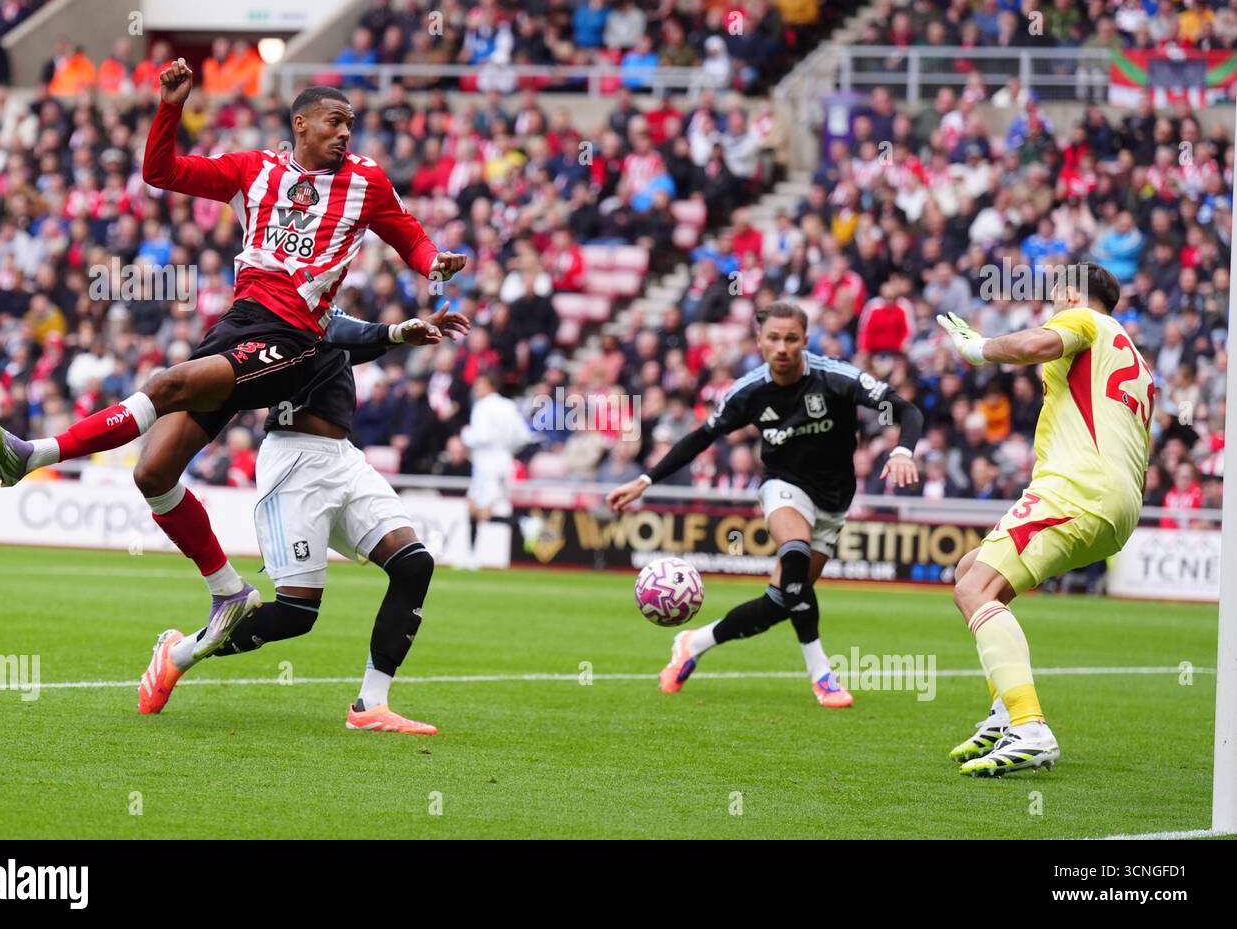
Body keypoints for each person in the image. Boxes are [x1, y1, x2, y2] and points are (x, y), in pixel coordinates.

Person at [0, 59, 466, 655]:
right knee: (152, 473)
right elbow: (159, 172)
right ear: (302, 124)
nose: (346, 133)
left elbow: (409, 236)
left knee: (168, 383)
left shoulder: (367, 181)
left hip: (293, 337)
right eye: (335, 122)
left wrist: (433, 262)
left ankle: (33, 454)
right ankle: (227, 591)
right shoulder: (252, 169)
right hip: (238, 324)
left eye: (351, 124)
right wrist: (170, 106)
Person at [138, 307, 471, 733]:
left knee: (413, 564)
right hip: (296, 461)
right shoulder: (291, 312)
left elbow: (350, 337)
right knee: (296, 614)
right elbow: (342, 330)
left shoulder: (327, 313)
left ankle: (371, 704)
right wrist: (398, 331)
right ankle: (179, 654)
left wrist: (401, 334)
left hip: (344, 458)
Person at [607, 301, 923, 707]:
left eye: (792, 338)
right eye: (773, 338)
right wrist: (645, 479)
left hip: (834, 502)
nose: (783, 347)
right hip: (784, 487)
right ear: (759, 342)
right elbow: (702, 436)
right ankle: (822, 674)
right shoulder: (749, 391)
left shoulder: (834, 377)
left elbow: (906, 409)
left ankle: (693, 641)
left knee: (782, 600)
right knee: (794, 552)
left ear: (805, 341)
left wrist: (903, 451)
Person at [937, 262, 1153, 775]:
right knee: (969, 574)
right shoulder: (1134, 361)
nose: (1053, 302)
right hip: (1115, 502)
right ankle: (1003, 713)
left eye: (1059, 292)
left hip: (1077, 488)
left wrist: (978, 349)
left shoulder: (1086, 322)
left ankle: (1031, 728)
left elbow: (1035, 345)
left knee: (974, 590)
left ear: (1078, 295)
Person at [460, 373, 535, 569]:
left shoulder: (483, 407)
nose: (476, 389)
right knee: (474, 508)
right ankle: (471, 555)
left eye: (480, 385)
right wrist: (507, 450)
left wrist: (466, 435)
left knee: (481, 511)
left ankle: (524, 522)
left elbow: (481, 436)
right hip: (504, 463)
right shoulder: (509, 406)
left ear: (490, 386)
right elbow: (523, 436)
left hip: (486, 466)